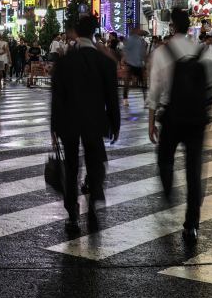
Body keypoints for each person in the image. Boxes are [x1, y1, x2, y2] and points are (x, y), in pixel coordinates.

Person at [147, 8, 212, 244]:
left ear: (172, 27)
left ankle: (168, 192)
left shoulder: (162, 52)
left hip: (171, 117)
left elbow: (155, 90)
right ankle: (191, 224)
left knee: (165, 159)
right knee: (194, 170)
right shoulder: (204, 51)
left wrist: (151, 122)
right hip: (196, 120)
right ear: (189, 27)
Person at [51, 14, 120, 235]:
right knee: (95, 161)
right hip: (94, 120)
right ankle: (94, 201)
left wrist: (54, 126)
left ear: (76, 33)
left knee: (71, 168)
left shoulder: (64, 62)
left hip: (69, 121)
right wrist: (115, 124)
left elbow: (57, 97)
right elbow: (112, 97)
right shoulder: (105, 63)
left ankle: (72, 213)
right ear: (94, 33)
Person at [122, 27, 147, 107]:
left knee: (130, 82)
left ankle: (144, 100)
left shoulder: (139, 40)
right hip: (134, 63)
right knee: (141, 83)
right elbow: (125, 50)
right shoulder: (134, 40)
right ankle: (126, 99)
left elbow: (142, 53)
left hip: (135, 63)